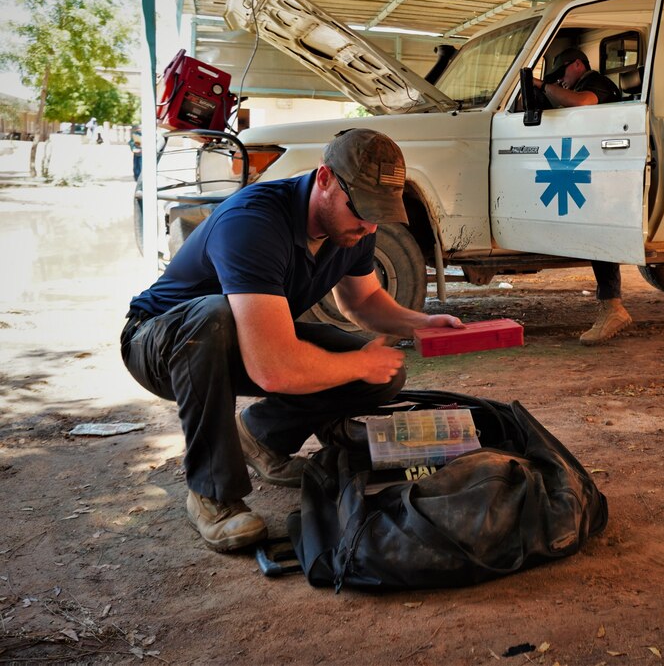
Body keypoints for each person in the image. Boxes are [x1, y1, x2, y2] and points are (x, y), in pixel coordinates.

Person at [120, 128, 464, 552]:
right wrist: (359, 364)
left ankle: (261, 436)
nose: (370, 224)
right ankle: (212, 494)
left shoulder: (357, 223)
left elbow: (364, 302)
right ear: (324, 179)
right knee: (215, 316)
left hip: (233, 335)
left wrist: (419, 324)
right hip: (158, 342)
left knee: (378, 373)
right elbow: (273, 369)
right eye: (361, 209)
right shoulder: (254, 222)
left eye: (380, 212)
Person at [531, 47, 633, 346]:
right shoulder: (576, 84)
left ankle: (612, 307)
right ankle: (611, 306)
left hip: (612, 166)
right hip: (601, 164)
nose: (561, 81)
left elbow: (582, 103)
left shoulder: (597, 82)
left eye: (562, 73)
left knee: (599, 229)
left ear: (577, 64)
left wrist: (542, 86)